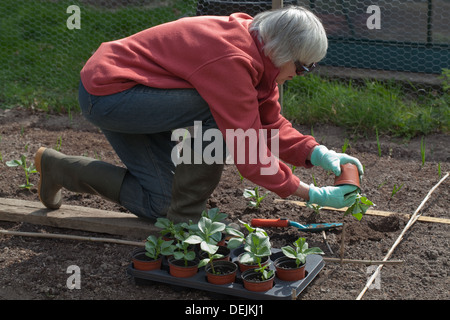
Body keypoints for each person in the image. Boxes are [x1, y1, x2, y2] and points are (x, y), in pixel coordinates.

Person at [35, 6, 364, 224]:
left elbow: (269, 125)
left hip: (141, 94)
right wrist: (311, 194)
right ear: (282, 52)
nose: (302, 73)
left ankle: (57, 168)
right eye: (303, 67)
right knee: (214, 111)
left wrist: (319, 154)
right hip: (109, 94)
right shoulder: (233, 62)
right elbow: (249, 154)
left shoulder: (263, 55)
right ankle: (186, 221)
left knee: (161, 203)